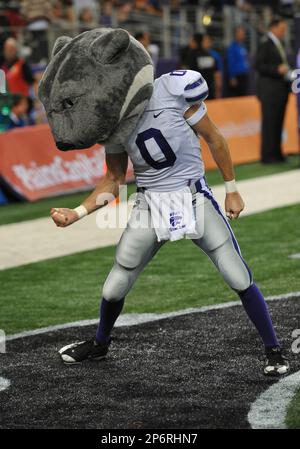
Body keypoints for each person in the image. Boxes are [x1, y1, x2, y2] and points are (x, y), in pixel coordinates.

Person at [52, 69, 289, 377]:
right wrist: (77, 213)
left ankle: (273, 348)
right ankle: (100, 343)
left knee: (237, 275)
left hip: (192, 197)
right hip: (150, 204)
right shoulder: (113, 119)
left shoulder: (174, 89)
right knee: (114, 286)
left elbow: (214, 137)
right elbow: (112, 180)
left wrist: (231, 189)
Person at [255, 16, 291, 164]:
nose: (284, 32)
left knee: (278, 123)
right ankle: (268, 156)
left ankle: (277, 153)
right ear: (273, 28)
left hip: (280, 90)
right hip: (269, 91)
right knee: (269, 124)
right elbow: (258, 65)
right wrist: (277, 69)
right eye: (282, 29)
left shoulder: (279, 43)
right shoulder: (265, 43)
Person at [186, 33, 218, 99]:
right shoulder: (209, 54)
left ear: (196, 42)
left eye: (192, 41)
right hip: (209, 88)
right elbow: (214, 72)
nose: (190, 43)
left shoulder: (192, 54)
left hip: (197, 89)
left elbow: (190, 73)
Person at [226, 26, 250, 97]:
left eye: (243, 33)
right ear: (236, 34)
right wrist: (232, 77)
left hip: (244, 75)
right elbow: (230, 62)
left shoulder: (243, 46)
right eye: (241, 33)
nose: (243, 35)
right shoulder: (232, 47)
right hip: (237, 76)